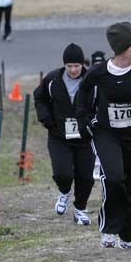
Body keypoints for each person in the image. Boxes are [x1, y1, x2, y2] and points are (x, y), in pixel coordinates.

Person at [76, 21, 131, 249]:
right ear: (123, 47)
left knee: (126, 183)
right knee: (113, 177)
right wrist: (83, 119)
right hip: (106, 133)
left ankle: (127, 231)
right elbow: (82, 95)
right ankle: (108, 228)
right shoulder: (99, 72)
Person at [34, 43, 95, 225]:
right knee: (63, 174)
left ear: (82, 64)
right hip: (59, 136)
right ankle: (64, 191)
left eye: (76, 66)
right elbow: (40, 97)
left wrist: (93, 123)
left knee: (85, 177)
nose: (73, 70)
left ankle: (80, 210)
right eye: (69, 66)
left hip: (85, 138)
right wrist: (46, 118)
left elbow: (101, 102)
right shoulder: (53, 79)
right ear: (64, 65)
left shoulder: (92, 81)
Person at [90, 50, 106, 180]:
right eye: (96, 63)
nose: (98, 65)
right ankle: (95, 168)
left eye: (101, 63)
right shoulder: (89, 78)